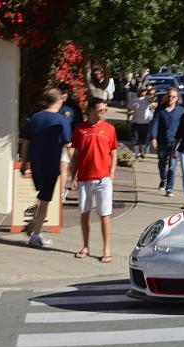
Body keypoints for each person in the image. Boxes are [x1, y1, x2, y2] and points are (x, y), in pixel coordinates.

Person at [19, 89, 72, 248]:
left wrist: (23, 162)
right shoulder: (61, 120)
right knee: (44, 201)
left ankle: (35, 225)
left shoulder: (35, 117)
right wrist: (74, 167)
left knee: (42, 197)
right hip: (51, 166)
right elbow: (68, 144)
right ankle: (35, 235)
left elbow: (25, 142)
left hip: (36, 165)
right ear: (60, 101)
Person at [70, 98, 118, 263]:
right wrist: (73, 177)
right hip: (84, 179)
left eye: (105, 109)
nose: (104, 112)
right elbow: (75, 155)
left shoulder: (110, 129)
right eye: (101, 110)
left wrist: (112, 172)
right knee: (84, 213)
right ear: (91, 110)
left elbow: (113, 152)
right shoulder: (79, 129)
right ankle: (85, 246)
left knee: (105, 215)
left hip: (103, 179)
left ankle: (106, 249)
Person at [149, 87, 184, 196]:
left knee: (172, 166)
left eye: (173, 96)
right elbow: (155, 124)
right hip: (162, 141)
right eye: (169, 96)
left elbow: (183, 127)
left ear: (177, 98)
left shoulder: (181, 110)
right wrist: (153, 137)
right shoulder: (160, 109)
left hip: (175, 142)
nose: (171, 98)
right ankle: (163, 179)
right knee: (161, 164)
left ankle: (169, 189)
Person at [58, 83, 84, 202]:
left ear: (67, 93)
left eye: (64, 93)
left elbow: (79, 124)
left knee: (71, 164)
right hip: (57, 141)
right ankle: (61, 191)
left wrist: (76, 140)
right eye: (60, 92)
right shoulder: (56, 105)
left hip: (70, 141)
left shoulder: (73, 107)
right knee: (62, 166)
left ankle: (73, 179)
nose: (62, 95)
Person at [126, 86, 153, 159]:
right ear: (138, 91)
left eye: (144, 90)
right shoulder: (133, 100)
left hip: (145, 123)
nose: (143, 92)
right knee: (135, 139)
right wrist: (128, 119)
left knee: (143, 139)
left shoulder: (147, 99)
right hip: (135, 122)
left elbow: (153, 102)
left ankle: (143, 152)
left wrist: (151, 97)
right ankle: (136, 154)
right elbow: (129, 110)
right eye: (141, 90)